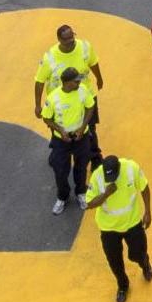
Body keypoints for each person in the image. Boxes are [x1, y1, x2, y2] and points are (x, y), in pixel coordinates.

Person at [83, 150, 152, 302]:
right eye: (109, 178)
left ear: (119, 168)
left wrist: (147, 211)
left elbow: (145, 187)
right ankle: (122, 285)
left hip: (132, 223)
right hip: (109, 229)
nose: (110, 180)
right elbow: (89, 204)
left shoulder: (131, 168)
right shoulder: (97, 177)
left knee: (137, 253)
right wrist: (106, 194)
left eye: (113, 176)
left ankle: (145, 263)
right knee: (114, 261)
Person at [41, 64, 99, 215]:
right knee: (60, 170)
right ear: (66, 83)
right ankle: (63, 196)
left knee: (81, 167)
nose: (79, 83)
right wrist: (61, 131)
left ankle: (80, 192)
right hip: (61, 141)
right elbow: (46, 118)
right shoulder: (53, 98)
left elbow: (90, 107)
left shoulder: (83, 91)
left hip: (82, 137)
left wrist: (83, 127)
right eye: (76, 81)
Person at [32, 22, 103, 118]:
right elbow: (39, 81)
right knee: (64, 131)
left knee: (90, 128)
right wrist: (37, 105)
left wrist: (99, 78)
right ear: (59, 40)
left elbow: (93, 63)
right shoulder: (49, 58)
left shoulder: (85, 47)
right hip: (61, 104)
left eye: (72, 37)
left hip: (85, 96)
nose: (71, 41)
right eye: (67, 40)